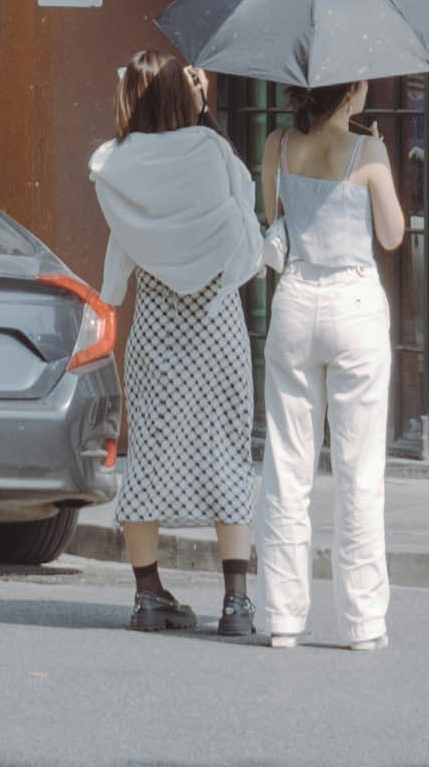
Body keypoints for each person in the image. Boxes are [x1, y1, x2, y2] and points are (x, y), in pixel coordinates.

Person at [81, 50, 264, 639]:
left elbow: (122, 245)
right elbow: (243, 206)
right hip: (215, 323)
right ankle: (235, 602)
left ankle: (148, 594)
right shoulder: (210, 150)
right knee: (226, 450)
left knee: (152, 454)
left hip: (156, 327)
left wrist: (110, 294)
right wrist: (206, 113)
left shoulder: (117, 165)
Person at [248, 84, 408, 653]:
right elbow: (392, 234)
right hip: (354, 301)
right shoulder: (368, 151)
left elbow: (276, 217)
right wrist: (377, 158)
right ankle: (363, 623)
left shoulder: (278, 145)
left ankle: (282, 618)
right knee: (358, 470)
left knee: (286, 465)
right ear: (349, 91)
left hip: (296, 297)